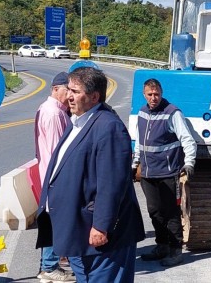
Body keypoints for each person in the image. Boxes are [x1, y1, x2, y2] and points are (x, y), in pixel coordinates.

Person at [36, 67, 145, 283]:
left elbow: (111, 184)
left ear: (94, 97)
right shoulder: (78, 121)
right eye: (68, 90)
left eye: (75, 92)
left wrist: (101, 226)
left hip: (101, 237)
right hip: (79, 232)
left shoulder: (108, 127)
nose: (69, 96)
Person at [132, 78, 196, 266]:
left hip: (168, 173)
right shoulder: (142, 112)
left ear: (161, 93)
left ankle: (176, 250)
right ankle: (162, 246)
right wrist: (135, 164)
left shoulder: (172, 113)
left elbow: (187, 139)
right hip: (148, 173)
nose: (153, 98)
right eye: (150, 95)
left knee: (171, 213)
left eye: (157, 94)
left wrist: (189, 163)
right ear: (144, 94)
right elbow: (139, 142)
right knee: (154, 212)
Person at [34, 72, 74, 283]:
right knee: (54, 222)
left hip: (50, 177)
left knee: (53, 221)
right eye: (68, 90)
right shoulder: (53, 114)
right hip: (54, 179)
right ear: (56, 89)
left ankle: (49, 264)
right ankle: (49, 267)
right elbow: (57, 151)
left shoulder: (53, 110)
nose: (70, 95)